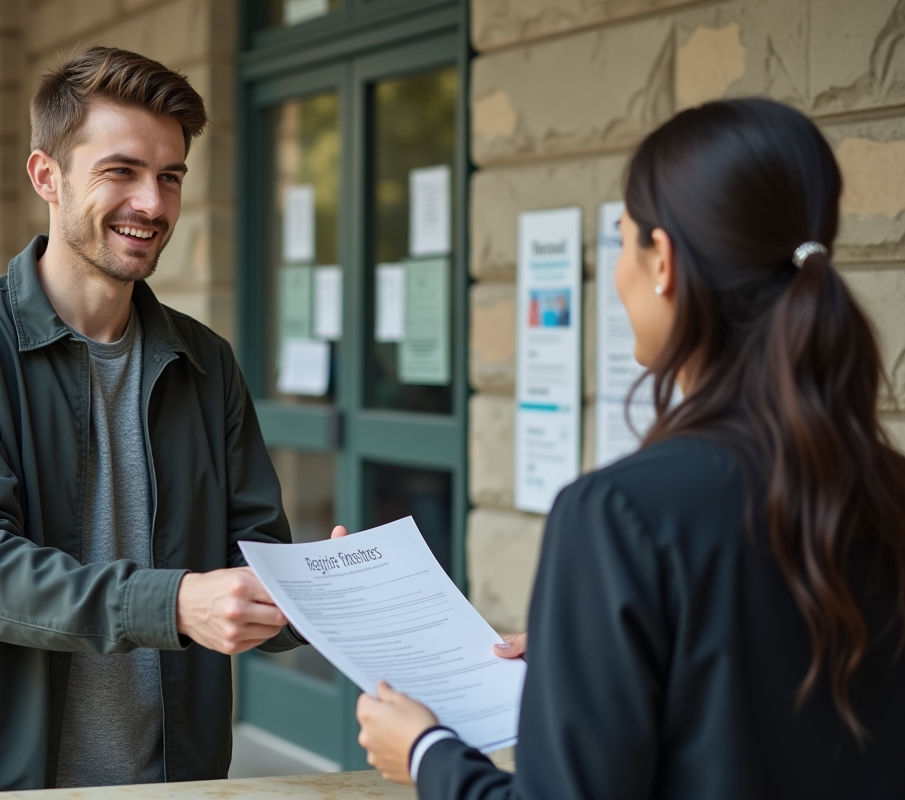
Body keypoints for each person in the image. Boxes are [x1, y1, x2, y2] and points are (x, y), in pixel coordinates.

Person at [355, 98, 905, 799]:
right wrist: (592, 653)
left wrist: (428, 751)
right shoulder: (889, 490)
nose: (615, 272)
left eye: (621, 240)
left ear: (663, 262)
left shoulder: (617, 515)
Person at [0, 47, 306, 797]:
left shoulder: (206, 363)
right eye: (122, 171)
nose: (153, 203)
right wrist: (174, 602)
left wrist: (325, 594)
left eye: (170, 176)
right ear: (47, 175)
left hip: (171, 780)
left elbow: (257, 551)